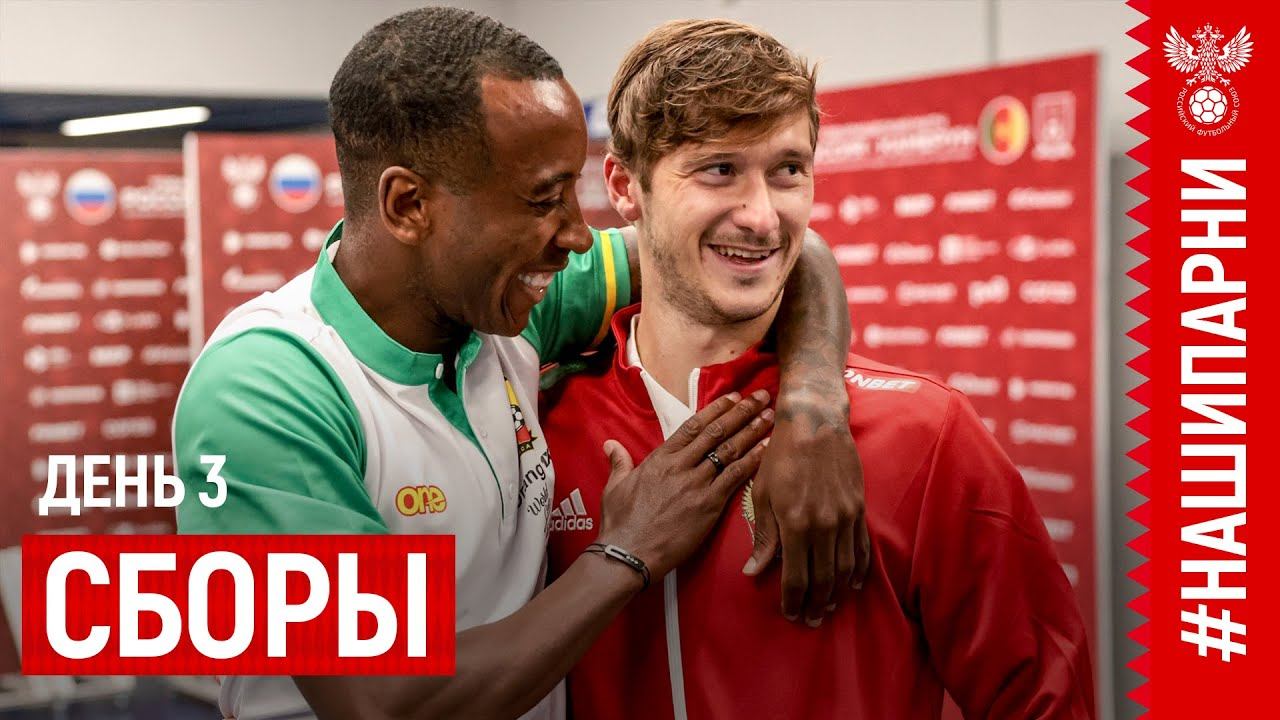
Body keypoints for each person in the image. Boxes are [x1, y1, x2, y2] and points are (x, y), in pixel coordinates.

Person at [172, 7, 867, 720]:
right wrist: (624, 553)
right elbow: (381, 701)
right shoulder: (268, 384)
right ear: (409, 205)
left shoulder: (511, 300)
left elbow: (782, 252)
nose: (577, 234)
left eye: (574, 191)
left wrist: (813, 410)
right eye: (542, 200)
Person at [540, 18, 1096, 720]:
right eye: (719, 169)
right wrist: (617, 559)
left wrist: (812, 399)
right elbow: (403, 678)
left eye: (788, 171)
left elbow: (1045, 700)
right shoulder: (531, 418)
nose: (762, 217)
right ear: (625, 186)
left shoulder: (925, 437)